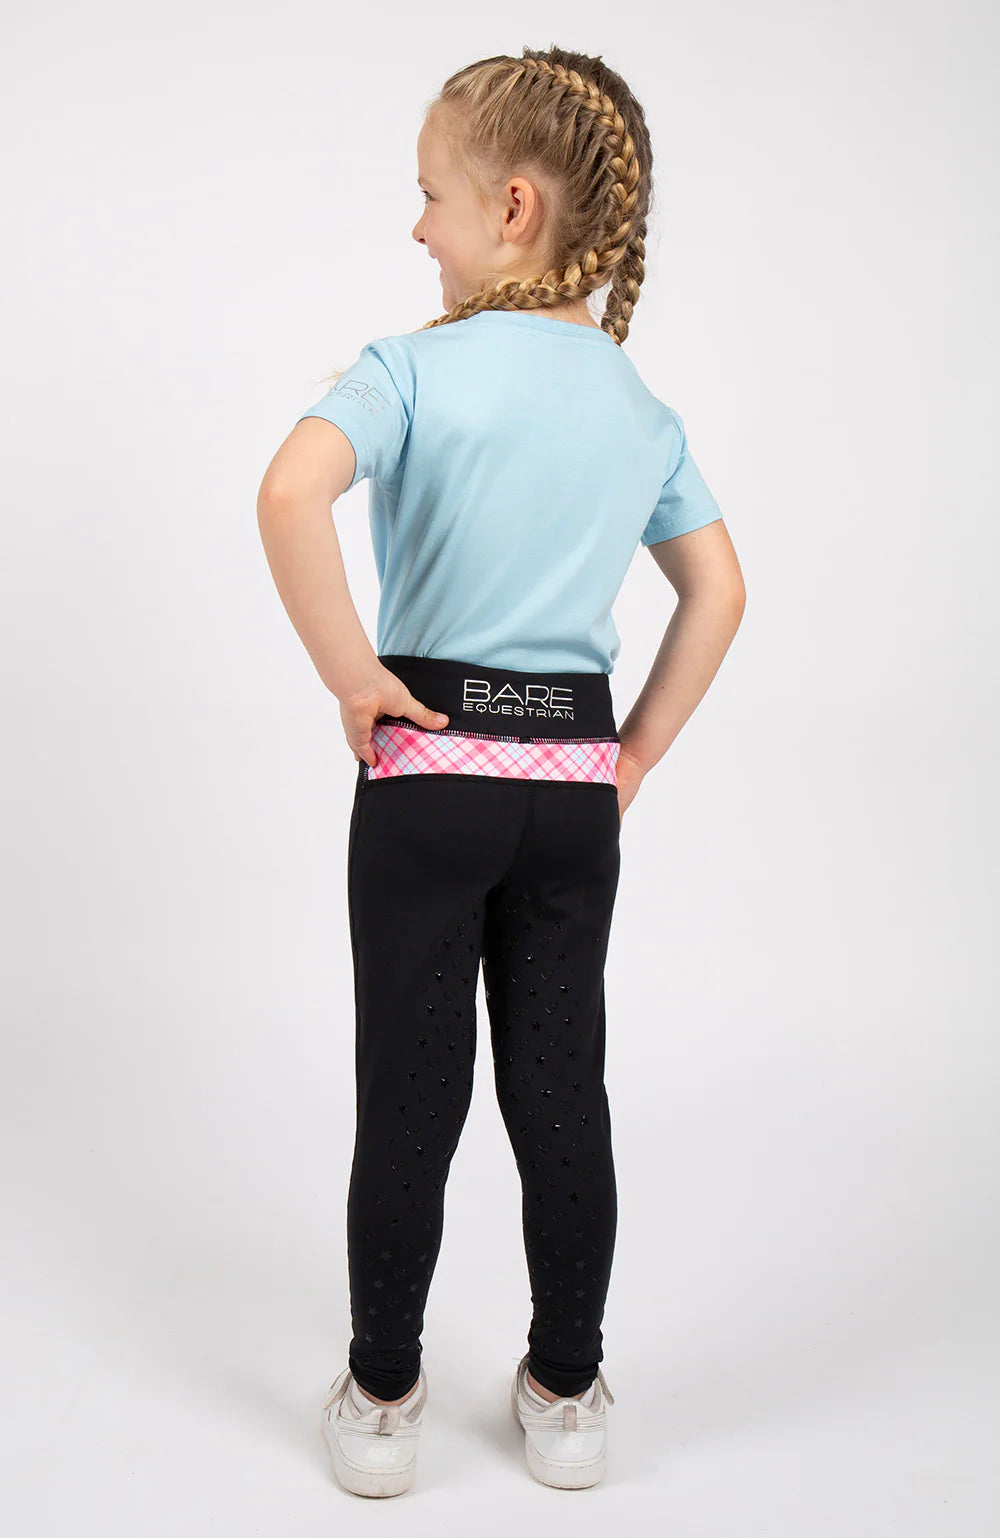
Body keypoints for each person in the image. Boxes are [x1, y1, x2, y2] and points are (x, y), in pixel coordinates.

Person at [257, 45, 746, 1497]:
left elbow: (289, 492)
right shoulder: (637, 406)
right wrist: (634, 750)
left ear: (513, 206)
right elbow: (718, 590)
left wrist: (356, 678)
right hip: (569, 796)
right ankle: (568, 1389)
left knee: (411, 1093)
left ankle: (383, 1395)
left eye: (431, 195)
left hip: (428, 776)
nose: (417, 226)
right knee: (561, 1090)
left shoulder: (409, 368)